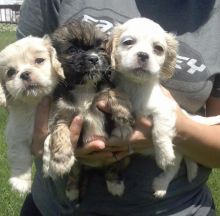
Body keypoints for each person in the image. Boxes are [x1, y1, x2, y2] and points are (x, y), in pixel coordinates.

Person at [17, 0, 220, 215]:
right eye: (128, 42)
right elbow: (19, 79)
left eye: (158, 49)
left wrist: (176, 132)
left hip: (178, 208)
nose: (142, 54)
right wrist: (45, 138)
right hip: (55, 207)